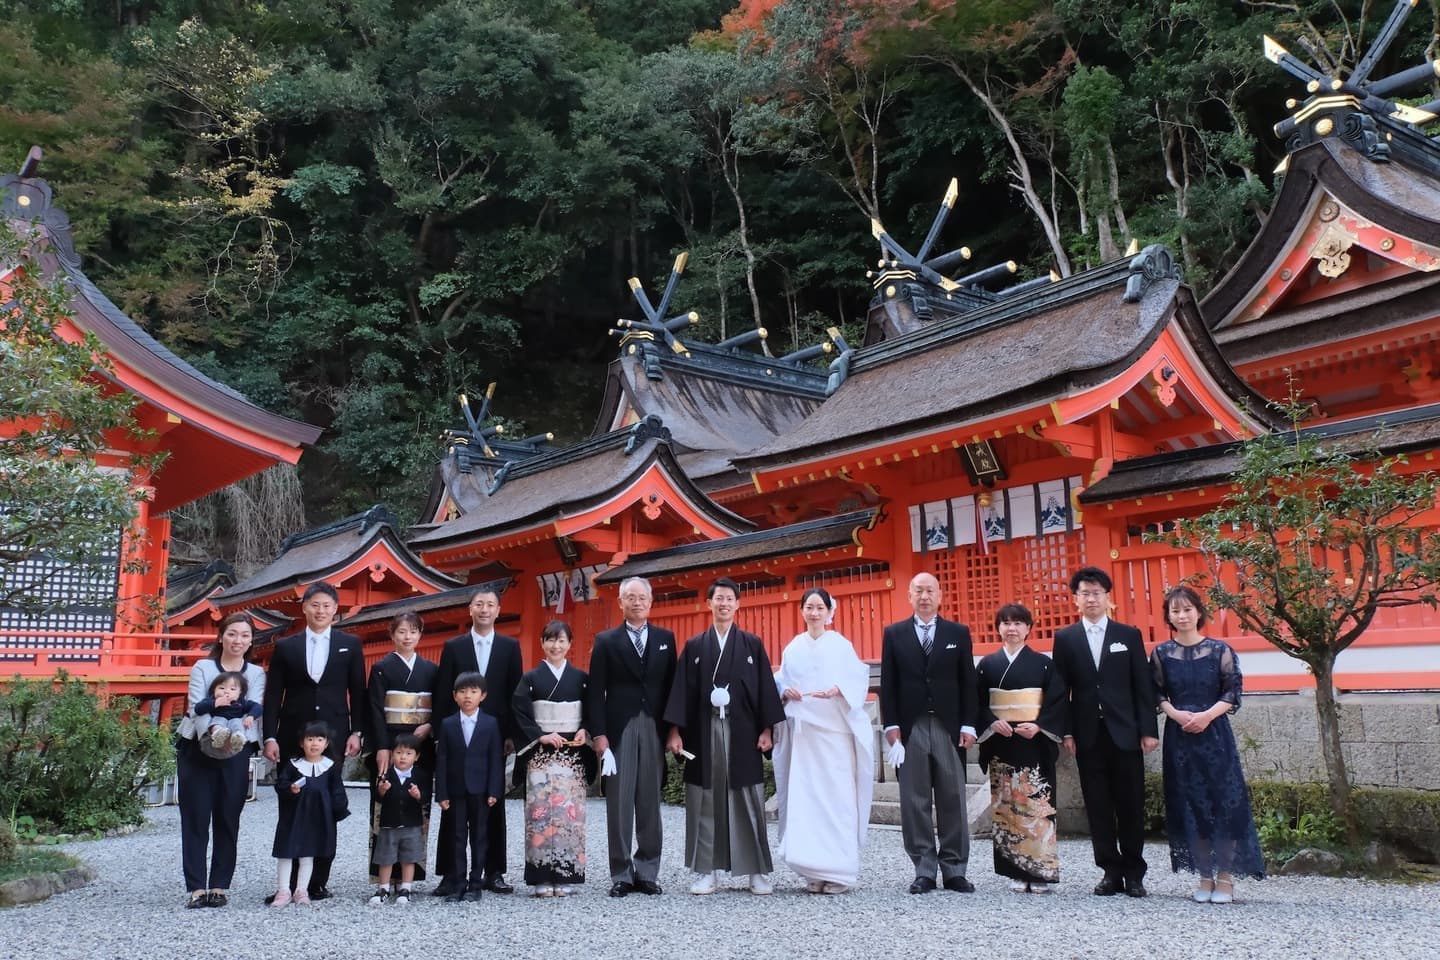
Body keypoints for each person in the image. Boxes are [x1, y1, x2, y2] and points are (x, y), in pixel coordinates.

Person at [664, 577, 785, 896]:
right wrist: (674, 730)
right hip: (703, 731)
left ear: (738, 604)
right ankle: (707, 871)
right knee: (705, 799)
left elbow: (764, 689)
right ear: (709, 603)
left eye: (730, 598)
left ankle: (755, 870)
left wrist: (767, 728)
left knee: (747, 797)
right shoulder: (695, 647)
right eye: (719, 598)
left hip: (743, 729)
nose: (724, 603)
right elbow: (681, 691)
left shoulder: (751, 645)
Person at [1151, 585, 1264, 903]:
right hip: (1180, 738)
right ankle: (1204, 876)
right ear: (1169, 617)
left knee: (1223, 804)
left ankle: (1226, 878)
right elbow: (1157, 694)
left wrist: (1206, 716)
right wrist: (1175, 713)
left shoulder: (1220, 651)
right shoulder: (1161, 654)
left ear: (1199, 612)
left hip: (1215, 736)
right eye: (1175, 611)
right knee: (1191, 806)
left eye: (1187, 609)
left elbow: (1232, 693)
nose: (1182, 615)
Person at [1051, 566, 1159, 898]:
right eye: (1085, 593)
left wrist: (1148, 730)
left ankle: (1134, 872)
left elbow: (1142, 685)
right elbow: (1060, 689)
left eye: (1097, 593)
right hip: (1088, 734)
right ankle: (1109, 871)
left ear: (1107, 598)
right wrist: (1066, 732)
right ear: (1076, 599)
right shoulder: (1065, 638)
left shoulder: (1128, 635)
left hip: (1125, 732)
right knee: (1097, 806)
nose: (1091, 598)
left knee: (1130, 803)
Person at [262, 581, 366, 902]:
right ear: (304, 607)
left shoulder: (350, 644)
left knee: (326, 806)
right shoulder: (286, 647)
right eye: (315, 605)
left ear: (336, 610)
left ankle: (316, 882)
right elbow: (272, 696)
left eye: (327, 606)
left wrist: (357, 731)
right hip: (292, 734)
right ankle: (288, 884)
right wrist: (268, 735)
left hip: (333, 736)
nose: (321, 611)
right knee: (291, 804)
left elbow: (358, 693)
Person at [879, 571, 979, 894]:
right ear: (909, 596)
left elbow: (968, 682)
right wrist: (891, 726)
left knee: (952, 797)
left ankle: (954, 869)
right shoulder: (894, 634)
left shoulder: (957, 633)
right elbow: (889, 683)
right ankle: (924, 868)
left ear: (940, 596)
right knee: (914, 799)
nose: (924, 597)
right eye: (918, 591)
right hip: (912, 727)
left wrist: (968, 723)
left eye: (930, 591)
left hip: (949, 726)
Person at [772, 587, 873, 894]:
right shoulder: (793, 647)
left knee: (836, 799)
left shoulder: (841, 645)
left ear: (830, 612)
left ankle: (840, 871)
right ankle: (811, 869)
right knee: (807, 800)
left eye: (820, 607)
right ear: (802, 611)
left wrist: (838, 689)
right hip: (805, 733)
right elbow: (783, 679)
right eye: (809, 607)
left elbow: (857, 677)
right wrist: (785, 690)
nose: (814, 612)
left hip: (834, 733)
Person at [586, 576, 676, 898]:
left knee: (650, 800)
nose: (637, 603)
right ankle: (621, 872)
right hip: (619, 726)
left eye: (642, 598)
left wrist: (674, 729)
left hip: (653, 724)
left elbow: (672, 689)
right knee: (620, 802)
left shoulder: (666, 639)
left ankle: (648, 870)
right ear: (621, 602)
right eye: (630, 598)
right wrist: (599, 735)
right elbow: (596, 692)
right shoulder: (607, 641)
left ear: (651, 603)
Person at [431, 586, 524, 897]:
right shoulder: (454, 646)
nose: (485, 610)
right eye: (479, 605)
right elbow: (444, 690)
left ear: (498, 611)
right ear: (470, 609)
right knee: (453, 807)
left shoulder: (510, 647)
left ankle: (494, 871)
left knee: (492, 803)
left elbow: (515, 693)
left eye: (490, 605)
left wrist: (511, 734)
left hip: (492, 734)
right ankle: (450, 873)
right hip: (457, 733)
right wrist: (440, 733)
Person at [975, 603, 1068, 893]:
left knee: (1036, 807)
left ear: (1029, 628)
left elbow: (1057, 700)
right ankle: (1015, 870)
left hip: (1034, 742)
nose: (1011, 628)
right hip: (1002, 742)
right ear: (998, 628)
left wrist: (1040, 725)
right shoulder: (987, 665)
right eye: (1005, 623)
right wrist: (991, 722)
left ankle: (1040, 872)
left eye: (1018, 623)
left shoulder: (1044, 664)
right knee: (1008, 808)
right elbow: (976, 702)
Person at [177, 613, 265, 908]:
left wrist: (231, 741)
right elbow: (196, 707)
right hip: (197, 748)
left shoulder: (255, 673)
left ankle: (219, 886)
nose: (237, 640)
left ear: (251, 640)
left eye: (244, 635)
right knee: (196, 818)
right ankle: (196, 887)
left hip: (236, 751)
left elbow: (253, 710)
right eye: (231, 634)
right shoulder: (203, 667)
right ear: (220, 636)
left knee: (228, 818)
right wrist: (211, 739)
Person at [512, 620, 596, 897]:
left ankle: (566, 874)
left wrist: (586, 729)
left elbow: (593, 709)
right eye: (550, 640)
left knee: (568, 814)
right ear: (542, 643)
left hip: (572, 753)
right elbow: (520, 711)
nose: (556, 646)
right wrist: (540, 735)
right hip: (541, 753)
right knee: (540, 813)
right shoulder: (531, 678)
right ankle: (540, 876)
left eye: (561, 641)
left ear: (570, 645)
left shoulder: (581, 678)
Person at [366, 612, 437, 889]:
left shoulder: (431, 670)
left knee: (417, 804)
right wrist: (381, 746)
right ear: (392, 635)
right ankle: (384, 875)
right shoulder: (382, 668)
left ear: (420, 635)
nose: (407, 637)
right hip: (391, 742)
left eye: (413, 632)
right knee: (385, 804)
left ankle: (410, 875)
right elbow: (374, 708)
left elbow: (441, 703)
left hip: (421, 745)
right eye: (401, 632)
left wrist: (430, 725)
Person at [434, 671, 504, 904]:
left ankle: (476, 884)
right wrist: (441, 792)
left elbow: (496, 759)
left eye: (473, 692)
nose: (467, 696)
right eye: (462, 692)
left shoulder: (490, 723)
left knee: (479, 836)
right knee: (456, 836)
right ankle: (457, 883)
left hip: (481, 789)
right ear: (454, 696)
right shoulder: (448, 724)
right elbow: (441, 759)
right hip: (455, 789)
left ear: (482, 696)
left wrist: (495, 790)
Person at [271, 722, 351, 908]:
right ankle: (283, 890)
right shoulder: (293, 765)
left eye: (319, 739)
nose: (314, 743)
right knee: (286, 852)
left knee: (308, 854)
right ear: (302, 743)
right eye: (310, 739)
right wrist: (290, 789)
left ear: (326, 743)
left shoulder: (330, 767)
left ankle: (301, 890)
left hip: (318, 817)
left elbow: (337, 791)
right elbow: (280, 784)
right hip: (294, 816)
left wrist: (339, 809)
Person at [370, 734, 430, 906]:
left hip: (412, 823)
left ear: (416, 756)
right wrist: (381, 791)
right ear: (392, 754)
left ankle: (406, 888)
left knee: (409, 857)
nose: (403, 757)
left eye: (408, 753)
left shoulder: (420, 775)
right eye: (399, 752)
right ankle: (383, 887)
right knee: (386, 857)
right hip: (389, 823)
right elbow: (377, 799)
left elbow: (425, 797)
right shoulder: (385, 774)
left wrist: (419, 795)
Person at [192, 671, 263, 759]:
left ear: (240, 692)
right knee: (217, 721)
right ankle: (218, 734)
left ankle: (238, 738)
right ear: (214, 690)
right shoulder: (212, 700)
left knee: (237, 723)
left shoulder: (241, 702)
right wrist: (215, 703)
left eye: (232, 689)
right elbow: (198, 709)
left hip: (234, 721)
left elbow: (258, 707)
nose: (226, 692)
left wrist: (251, 716)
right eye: (221, 688)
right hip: (219, 721)